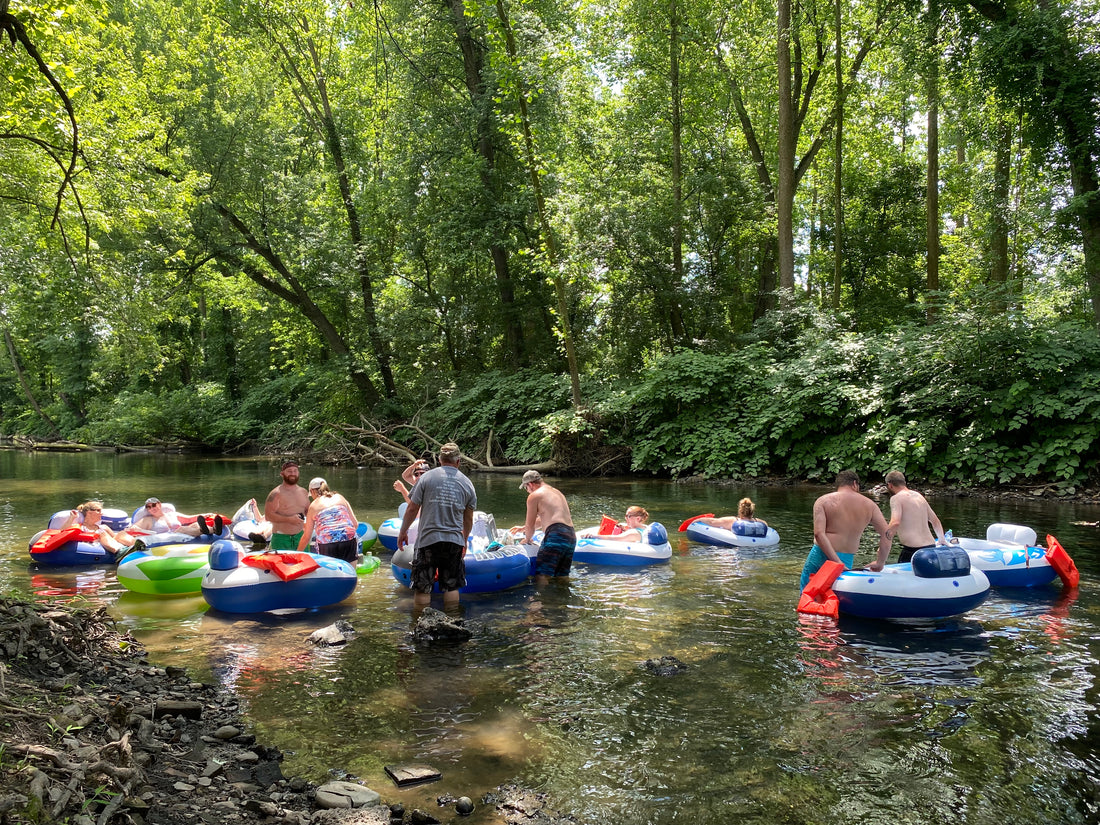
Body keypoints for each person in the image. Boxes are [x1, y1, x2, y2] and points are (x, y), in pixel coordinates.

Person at [398, 442, 477, 608]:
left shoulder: (426, 477)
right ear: (458, 461)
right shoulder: (467, 483)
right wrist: (464, 539)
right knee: (451, 586)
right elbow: (468, 519)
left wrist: (403, 531)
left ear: (440, 460)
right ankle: (453, 622)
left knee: (422, 588)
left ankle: (419, 625)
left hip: (428, 540)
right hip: (454, 540)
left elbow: (412, 508)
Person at [799, 470, 891, 589]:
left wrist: (837, 562)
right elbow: (887, 535)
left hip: (821, 554)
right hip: (847, 557)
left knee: (808, 596)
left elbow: (818, 534)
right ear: (854, 484)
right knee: (837, 598)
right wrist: (880, 562)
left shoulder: (823, 501)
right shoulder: (870, 505)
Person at [521, 470, 576, 584]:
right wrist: (523, 528)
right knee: (561, 576)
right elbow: (549, 518)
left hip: (555, 535)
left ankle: (542, 600)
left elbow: (529, 525)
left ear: (530, 484)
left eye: (526, 488)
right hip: (570, 535)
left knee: (542, 575)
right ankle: (563, 600)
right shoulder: (556, 492)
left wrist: (527, 539)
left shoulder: (534, 495)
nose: (527, 492)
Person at [883, 470, 947, 563]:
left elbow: (895, 523)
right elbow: (935, 520)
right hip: (931, 547)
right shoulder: (918, 496)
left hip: (913, 551)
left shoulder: (896, 498)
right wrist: (942, 540)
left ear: (890, 485)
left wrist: (884, 541)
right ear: (904, 482)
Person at [298, 478, 360, 562]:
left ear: (312, 491)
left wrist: (297, 554)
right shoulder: (339, 497)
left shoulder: (313, 506)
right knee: (351, 572)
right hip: (348, 540)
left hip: (327, 543)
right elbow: (355, 524)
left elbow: (306, 537)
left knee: (331, 573)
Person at [264, 460, 310, 551]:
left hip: (300, 537)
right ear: (282, 474)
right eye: (289, 471)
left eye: (295, 471)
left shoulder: (304, 492)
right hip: (281, 538)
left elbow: (309, 512)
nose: (293, 473)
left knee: (304, 564)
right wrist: (289, 519)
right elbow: (268, 516)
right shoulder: (275, 493)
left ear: (298, 473)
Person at [60, 501, 138, 554]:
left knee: (121, 533)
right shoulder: (80, 527)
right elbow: (62, 533)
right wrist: (72, 518)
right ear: (89, 512)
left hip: (112, 545)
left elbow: (115, 537)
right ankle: (118, 551)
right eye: (98, 510)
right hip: (95, 549)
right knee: (102, 534)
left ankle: (137, 546)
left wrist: (129, 533)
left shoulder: (103, 527)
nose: (101, 513)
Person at [133, 498, 222, 537]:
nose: (152, 508)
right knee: (181, 529)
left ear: (159, 504)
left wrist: (205, 515)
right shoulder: (147, 519)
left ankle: (214, 530)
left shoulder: (172, 514)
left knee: (195, 524)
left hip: (183, 534)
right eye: (149, 507)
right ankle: (203, 531)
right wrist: (134, 529)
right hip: (168, 537)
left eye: (153, 505)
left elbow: (189, 519)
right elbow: (134, 528)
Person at [579, 506, 650, 541]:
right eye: (625, 516)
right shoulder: (644, 527)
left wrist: (593, 536)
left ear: (638, 518)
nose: (626, 518)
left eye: (628, 516)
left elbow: (614, 538)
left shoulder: (634, 533)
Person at [694, 498, 768, 530]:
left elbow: (712, 522)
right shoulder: (758, 521)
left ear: (740, 511)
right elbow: (766, 525)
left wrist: (699, 519)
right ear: (752, 512)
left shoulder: (733, 520)